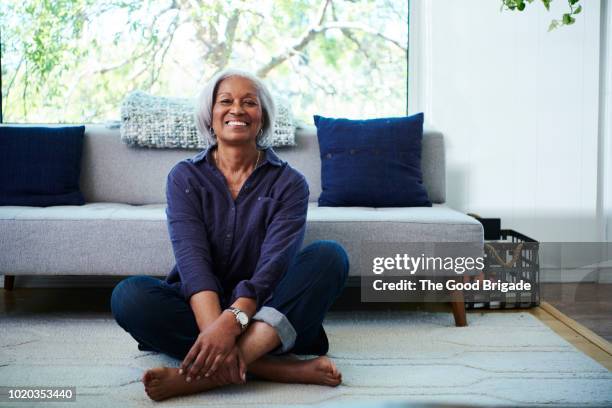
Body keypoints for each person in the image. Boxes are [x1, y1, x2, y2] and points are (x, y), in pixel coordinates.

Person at [110, 69, 349, 401]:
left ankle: (198, 377)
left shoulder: (290, 183)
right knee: (129, 296)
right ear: (210, 116)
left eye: (249, 102)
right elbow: (194, 266)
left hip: (266, 308)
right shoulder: (184, 177)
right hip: (201, 307)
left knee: (329, 257)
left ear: (262, 119)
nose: (237, 109)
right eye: (226, 101)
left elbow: (273, 268)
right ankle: (276, 369)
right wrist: (217, 327)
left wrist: (234, 320)